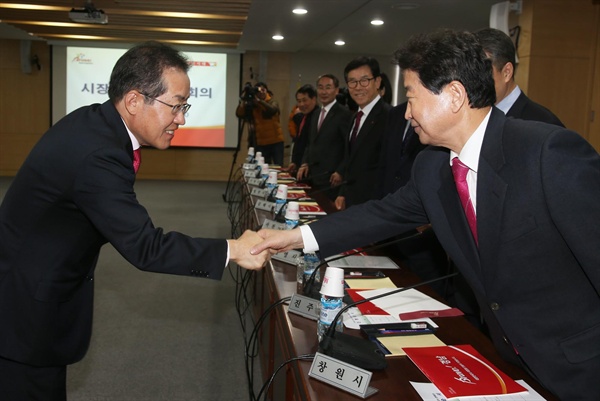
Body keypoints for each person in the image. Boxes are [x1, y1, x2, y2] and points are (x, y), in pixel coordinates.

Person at [251, 30, 600, 400]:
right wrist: (293, 237)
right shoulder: (433, 167)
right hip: (510, 359)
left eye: (412, 98)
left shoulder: (547, 153)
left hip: (582, 365)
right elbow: (379, 214)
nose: (406, 112)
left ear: (454, 96)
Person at [0, 41, 269, 401]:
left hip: (31, 282)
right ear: (133, 101)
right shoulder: (99, 155)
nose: (182, 119)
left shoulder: (95, 123)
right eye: (176, 106)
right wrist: (233, 248)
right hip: (23, 308)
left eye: (185, 107)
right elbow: (146, 247)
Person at [475, 28, 564, 126]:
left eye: (481, 72)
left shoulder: (544, 124)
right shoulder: (472, 120)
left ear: (507, 72)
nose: (473, 82)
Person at [335, 56, 391, 210]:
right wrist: (343, 193)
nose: (358, 87)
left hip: (375, 205)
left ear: (377, 82)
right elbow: (350, 161)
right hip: (353, 203)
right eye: (352, 82)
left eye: (364, 80)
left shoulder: (390, 117)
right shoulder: (355, 117)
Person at [297, 74, 352, 200]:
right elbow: (311, 143)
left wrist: (340, 171)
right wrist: (305, 162)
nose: (324, 91)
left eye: (328, 87)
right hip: (313, 176)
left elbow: (349, 147)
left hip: (332, 178)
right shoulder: (315, 114)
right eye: (320, 87)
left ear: (336, 90)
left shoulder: (344, 114)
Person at [236, 82, 284, 165]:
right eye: (258, 91)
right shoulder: (253, 105)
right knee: (262, 169)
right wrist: (244, 100)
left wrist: (259, 101)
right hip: (261, 144)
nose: (261, 92)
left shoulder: (272, 101)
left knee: (278, 167)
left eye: (263, 90)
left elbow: (272, 110)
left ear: (267, 91)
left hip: (276, 142)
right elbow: (239, 114)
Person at [288, 84, 318, 176]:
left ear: (314, 99)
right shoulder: (303, 117)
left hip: (310, 168)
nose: (301, 104)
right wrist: (295, 162)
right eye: (299, 101)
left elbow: (311, 145)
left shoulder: (318, 117)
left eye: (304, 100)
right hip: (300, 166)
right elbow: (299, 141)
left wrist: (305, 163)